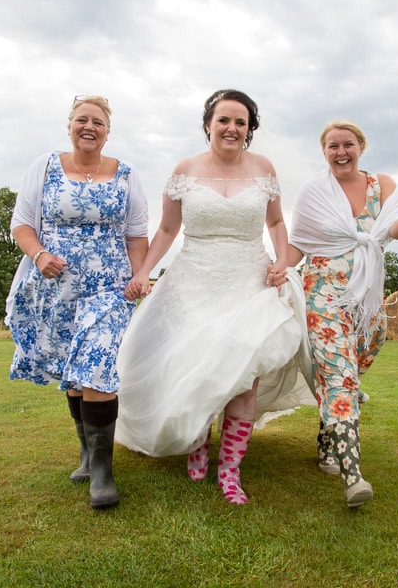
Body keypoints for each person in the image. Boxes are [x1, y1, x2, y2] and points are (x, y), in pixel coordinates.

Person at [116, 89, 313, 505]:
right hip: (194, 281)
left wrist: (282, 261)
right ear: (208, 124)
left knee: (244, 375)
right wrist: (145, 271)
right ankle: (197, 444)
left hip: (249, 280)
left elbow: (277, 221)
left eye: (241, 122)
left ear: (249, 130)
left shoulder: (264, 169)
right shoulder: (185, 170)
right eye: (224, 120)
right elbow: (168, 230)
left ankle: (230, 470)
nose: (232, 128)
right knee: (199, 366)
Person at [285, 120, 398, 508]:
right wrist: (276, 270)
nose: (341, 152)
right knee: (341, 375)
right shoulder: (314, 191)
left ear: (361, 147)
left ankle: (327, 438)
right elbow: (299, 243)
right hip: (322, 292)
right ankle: (353, 475)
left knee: (354, 366)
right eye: (333, 146)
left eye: (348, 145)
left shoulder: (383, 185)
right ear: (324, 153)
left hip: (366, 300)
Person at [5, 95, 148, 509]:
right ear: (69, 125)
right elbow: (22, 223)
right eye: (82, 119)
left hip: (110, 288)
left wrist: (140, 275)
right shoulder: (45, 167)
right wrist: (39, 255)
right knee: (74, 370)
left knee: (97, 364)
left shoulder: (126, 174)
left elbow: (137, 233)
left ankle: (102, 470)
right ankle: (87, 453)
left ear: (108, 130)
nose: (90, 126)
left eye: (98, 122)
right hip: (57, 285)